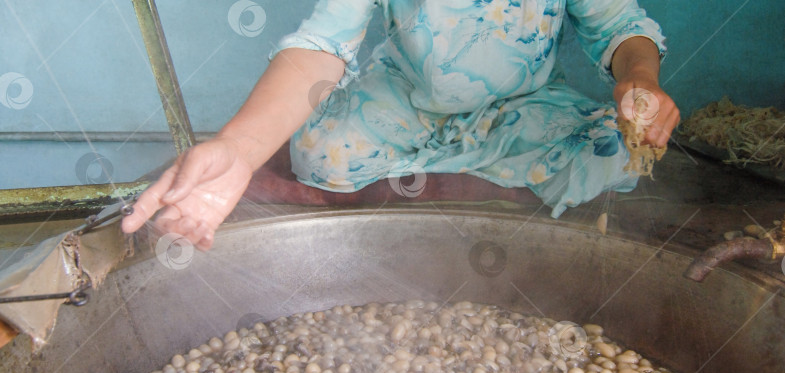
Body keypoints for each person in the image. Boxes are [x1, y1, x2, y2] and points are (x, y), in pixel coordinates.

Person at [122, 0, 679, 250]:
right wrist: (239, 150)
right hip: (404, 99)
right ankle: (467, 176)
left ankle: (441, 173)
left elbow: (620, 27)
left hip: (523, 107)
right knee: (319, 151)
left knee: (615, 149)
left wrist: (642, 81)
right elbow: (322, 46)